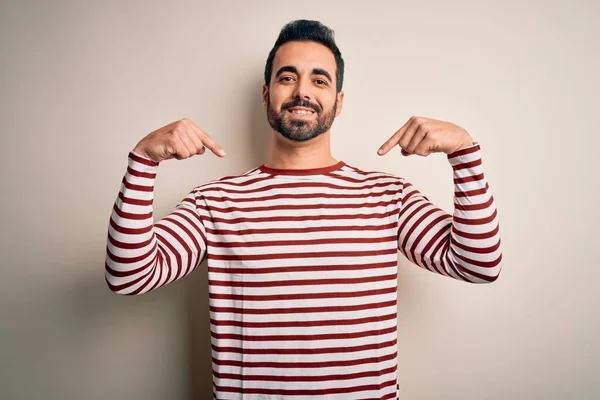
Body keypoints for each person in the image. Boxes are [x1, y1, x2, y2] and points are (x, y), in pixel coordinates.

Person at [105, 19, 502, 400]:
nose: (302, 91)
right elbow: (129, 276)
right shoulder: (215, 202)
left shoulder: (389, 196)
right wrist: (143, 161)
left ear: (338, 101)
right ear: (267, 95)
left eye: (319, 79)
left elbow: (478, 264)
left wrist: (464, 152)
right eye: (287, 77)